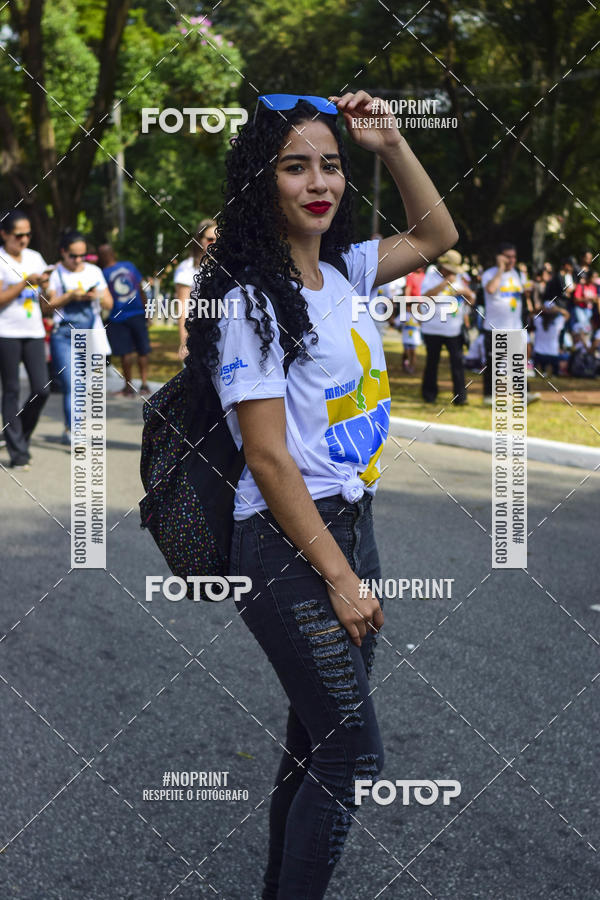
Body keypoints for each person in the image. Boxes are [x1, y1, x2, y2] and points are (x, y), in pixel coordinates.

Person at [185, 90, 457, 899]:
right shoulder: (248, 302)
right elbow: (268, 461)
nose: (318, 182)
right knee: (351, 755)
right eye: (294, 165)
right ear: (259, 183)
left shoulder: (346, 270)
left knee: (316, 744)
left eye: (330, 165)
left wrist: (391, 146)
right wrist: (340, 575)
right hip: (285, 544)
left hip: (350, 524)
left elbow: (439, 235)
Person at [46, 231, 113, 443]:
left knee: (84, 385)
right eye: (73, 256)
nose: (77, 260)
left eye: (82, 256)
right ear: (63, 252)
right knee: (72, 383)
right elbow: (47, 306)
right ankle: (76, 432)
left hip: (90, 333)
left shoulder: (94, 271)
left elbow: (109, 304)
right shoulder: (54, 273)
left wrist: (98, 295)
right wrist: (70, 296)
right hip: (63, 335)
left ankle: (71, 427)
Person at [0, 210, 51, 468]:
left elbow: (47, 300)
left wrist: (45, 286)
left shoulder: (35, 257)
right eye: (19, 235)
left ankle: (17, 435)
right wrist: (23, 283)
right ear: (5, 234)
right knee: (10, 390)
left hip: (34, 331)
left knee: (42, 390)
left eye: (28, 234)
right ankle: (18, 452)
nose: (24, 240)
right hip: (6, 333)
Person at [481, 242, 540, 404]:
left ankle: (523, 395)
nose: (511, 260)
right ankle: (489, 396)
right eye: (508, 257)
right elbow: (491, 289)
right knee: (493, 363)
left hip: (514, 326)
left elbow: (523, 293)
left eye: (514, 257)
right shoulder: (490, 274)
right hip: (494, 326)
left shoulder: (518, 274)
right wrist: (500, 269)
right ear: (499, 257)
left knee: (517, 363)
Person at [419, 250, 475, 405]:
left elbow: (471, 299)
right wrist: (445, 283)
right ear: (442, 267)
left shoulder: (460, 279)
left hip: (454, 329)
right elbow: (425, 296)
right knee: (432, 362)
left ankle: (460, 397)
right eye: (449, 270)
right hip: (432, 328)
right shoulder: (431, 275)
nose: (451, 273)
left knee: (457, 363)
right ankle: (429, 394)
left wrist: (467, 293)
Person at [97, 243, 152, 396]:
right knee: (142, 350)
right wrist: (147, 310)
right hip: (136, 313)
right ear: (114, 254)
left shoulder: (103, 273)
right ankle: (144, 384)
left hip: (118, 317)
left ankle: (129, 387)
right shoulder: (129, 266)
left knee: (126, 353)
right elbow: (141, 289)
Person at [174, 218, 216, 360]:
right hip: (197, 335)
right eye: (210, 239)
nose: (215, 243)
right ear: (199, 240)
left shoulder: (227, 268)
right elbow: (182, 307)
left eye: (219, 239)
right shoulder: (186, 269)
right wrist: (184, 341)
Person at [533, 302, 569, 377]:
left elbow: (532, 313)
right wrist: (557, 309)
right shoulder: (557, 321)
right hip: (549, 355)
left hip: (545, 354)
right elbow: (567, 315)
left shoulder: (538, 320)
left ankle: (545, 371)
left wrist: (542, 309)